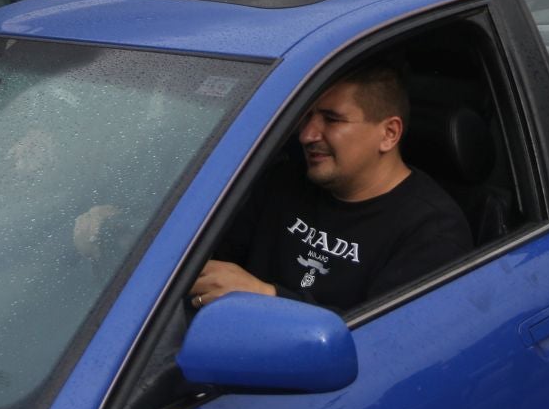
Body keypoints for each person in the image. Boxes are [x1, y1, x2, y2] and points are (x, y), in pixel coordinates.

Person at [189, 63, 472, 313]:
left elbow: (382, 344)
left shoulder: (432, 231)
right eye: (307, 115)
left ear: (389, 134)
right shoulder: (282, 180)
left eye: (332, 119)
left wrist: (266, 298)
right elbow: (215, 259)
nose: (307, 135)